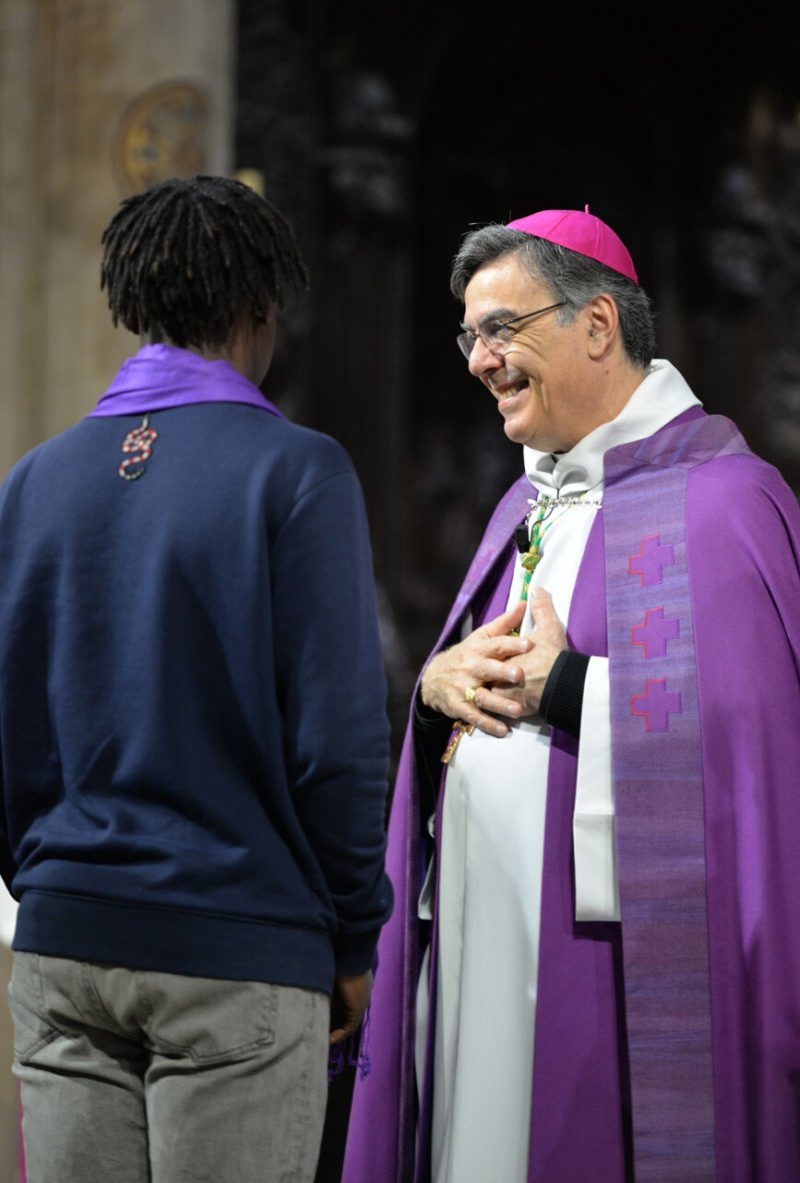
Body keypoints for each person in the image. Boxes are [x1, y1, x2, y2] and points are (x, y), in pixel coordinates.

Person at [341, 207, 800, 1182]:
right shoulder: (525, 502)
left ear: (595, 325)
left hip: (600, 976)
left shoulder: (723, 503)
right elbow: (466, 691)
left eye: (500, 328)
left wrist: (568, 691)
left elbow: (755, 766)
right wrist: (433, 695)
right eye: (468, 334)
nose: (476, 359)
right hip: (478, 950)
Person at [0, 175, 393, 1183]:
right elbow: (337, 743)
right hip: (237, 944)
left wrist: (46, 882)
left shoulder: (36, 479)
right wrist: (353, 933)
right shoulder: (295, 470)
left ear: (133, 300)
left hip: (61, 943)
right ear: (261, 308)